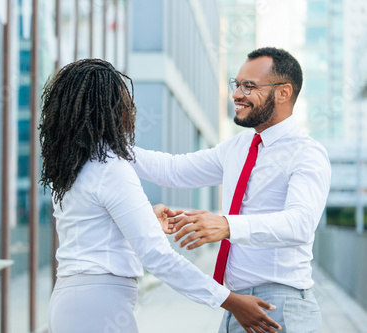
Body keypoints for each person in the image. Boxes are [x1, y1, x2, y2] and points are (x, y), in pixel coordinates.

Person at [40, 58, 281, 333]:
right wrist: (230, 300)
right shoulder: (111, 169)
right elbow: (157, 256)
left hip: (69, 299)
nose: (129, 110)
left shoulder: (72, 169)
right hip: (99, 305)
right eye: (123, 101)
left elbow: (95, 236)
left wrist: (145, 219)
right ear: (109, 110)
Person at [131, 47, 331, 332]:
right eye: (236, 84)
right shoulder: (238, 147)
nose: (236, 94)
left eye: (249, 86)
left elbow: (300, 224)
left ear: (284, 92)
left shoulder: (306, 153)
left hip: (280, 307)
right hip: (237, 305)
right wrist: (109, 148)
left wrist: (227, 225)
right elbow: (173, 169)